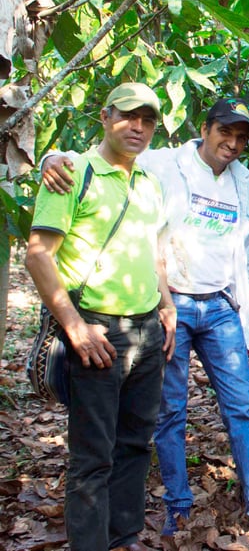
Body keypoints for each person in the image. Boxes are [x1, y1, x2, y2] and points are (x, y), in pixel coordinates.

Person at [41, 97, 249, 536]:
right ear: (206, 128)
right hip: (172, 303)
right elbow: (111, 153)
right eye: (225, 132)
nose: (232, 144)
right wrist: (52, 157)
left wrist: (248, 309)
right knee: (170, 411)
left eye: (241, 138)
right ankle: (178, 505)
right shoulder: (166, 162)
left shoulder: (241, 178)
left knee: (242, 408)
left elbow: (243, 249)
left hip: (220, 305)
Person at [26, 82, 176, 551]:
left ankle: (124, 536)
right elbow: (38, 256)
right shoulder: (73, 173)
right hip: (96, 329)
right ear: (105, 117)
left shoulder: (149, 184)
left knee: (134, 443)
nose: (139, 127)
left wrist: (166, 304)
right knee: (93, 455)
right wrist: (74, 325)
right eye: (129, 116)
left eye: (148, 120)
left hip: (146, 330)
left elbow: (154, 253)